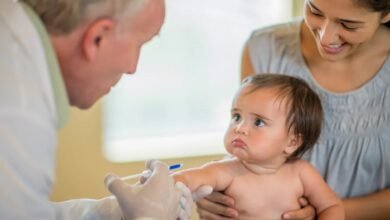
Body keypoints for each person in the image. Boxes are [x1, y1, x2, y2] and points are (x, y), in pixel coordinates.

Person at [0, 0, 210, 219]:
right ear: (98, 37)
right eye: (140, 43)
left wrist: (112, 213)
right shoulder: (16, 109)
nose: (132, 68)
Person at [196, 0, 390, 219]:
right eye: (315, 11)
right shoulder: (265, 48)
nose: (326, 37)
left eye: (348, 24)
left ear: (386, 13)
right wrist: (217, 192)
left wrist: (327, 209)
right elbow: (251, 149)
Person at [173, 74, 344, 220]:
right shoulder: (227, 170)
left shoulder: (302, 173)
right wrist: (166, 181)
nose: (240, 128)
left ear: (292, 143)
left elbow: (332, 207)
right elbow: (192, 177)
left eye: (258, 122)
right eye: (237, 117)